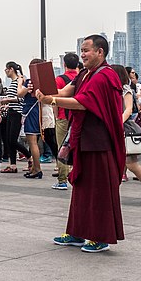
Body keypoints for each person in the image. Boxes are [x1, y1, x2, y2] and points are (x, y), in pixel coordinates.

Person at [37, 34, 125, 253]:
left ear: (100, 52)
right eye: (82, 50)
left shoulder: (105, 76)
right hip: (84, 139)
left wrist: (52, 100)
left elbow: (82, 103)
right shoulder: (86, 74)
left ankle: (100, 237)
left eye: (86, 50)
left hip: (98, 142)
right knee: (81, 189)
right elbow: (68, 91)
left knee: (99, 191)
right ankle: (77, 232)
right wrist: (46, 93)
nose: (82, 55)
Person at [111, 64, 141, 203]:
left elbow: (129, 110)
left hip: (125, 129)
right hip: (115, 128)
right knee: (115, 164)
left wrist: (116, 123)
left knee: (132, 165)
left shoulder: (125, 89)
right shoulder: (111, 88)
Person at [52, 53, 79, 190]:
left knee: (62, 148)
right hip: (78, 118)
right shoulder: (82, 77)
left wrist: (57, 116)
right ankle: (77, 176)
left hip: (63, 117)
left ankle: (62, 180)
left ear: (64, 64)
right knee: (78, 148)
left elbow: (55, 99)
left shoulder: (60, 79)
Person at [0, 62, 31, 173]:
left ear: (11, 69)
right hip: (11, 112)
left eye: (6, 69)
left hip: (17, 113)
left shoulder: (19, 81)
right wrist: (7, 105)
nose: (5, 71)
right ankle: (12, 164)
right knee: (8, 140)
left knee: (12, 140)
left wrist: (8, 100)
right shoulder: (14, 82)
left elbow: (21, 98)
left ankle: (29, 157)